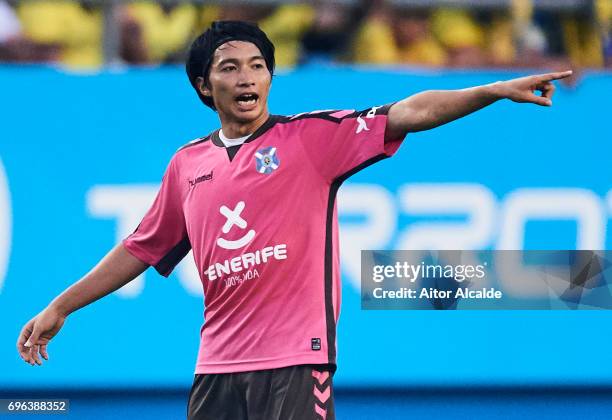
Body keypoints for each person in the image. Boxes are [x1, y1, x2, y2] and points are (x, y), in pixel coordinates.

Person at [17, 20, 572, 420]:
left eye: (258, 66)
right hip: (216, 368)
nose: (247, 77)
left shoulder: (309, 140)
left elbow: (408, 112)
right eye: (230, 68)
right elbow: (139, 249)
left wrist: (491, 91)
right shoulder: (188, 165)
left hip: (296, 364)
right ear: (204, 87)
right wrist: (60, 306)